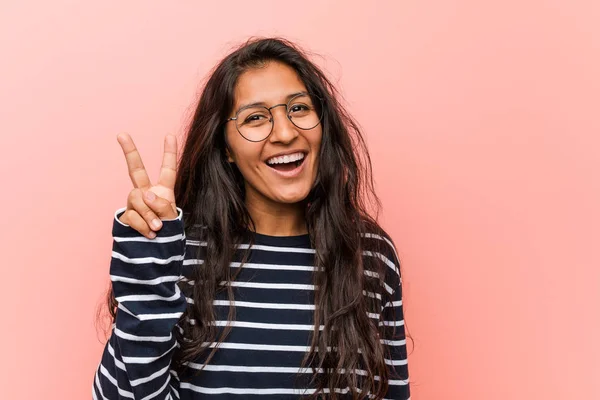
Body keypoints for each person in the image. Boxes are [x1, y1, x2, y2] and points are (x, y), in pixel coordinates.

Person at [93, 37, 411, 399]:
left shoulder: (370, 256)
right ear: (226, 147)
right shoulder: (183, 255)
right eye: (255, 118)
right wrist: (149, 266)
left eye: (299, 108)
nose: (286, 133)